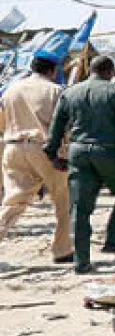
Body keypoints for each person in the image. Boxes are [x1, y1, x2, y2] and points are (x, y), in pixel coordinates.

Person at [44, 55, 115, 274]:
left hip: (78, 152)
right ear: (110, 72)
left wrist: (52, 153)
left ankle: (81, 263)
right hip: (109, 150)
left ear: (90, 71)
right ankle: (113, 240)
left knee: (80, 209)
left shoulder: (69, 92)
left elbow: (56, 126)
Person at [0, 53, 74, 264]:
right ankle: (62, 250)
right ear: (52, 71)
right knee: (63, 201)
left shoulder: (11, 90)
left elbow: (1, 123)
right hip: (44, 149)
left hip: (12, 148)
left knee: (13, 203)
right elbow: (64, 126)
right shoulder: (56, 91)